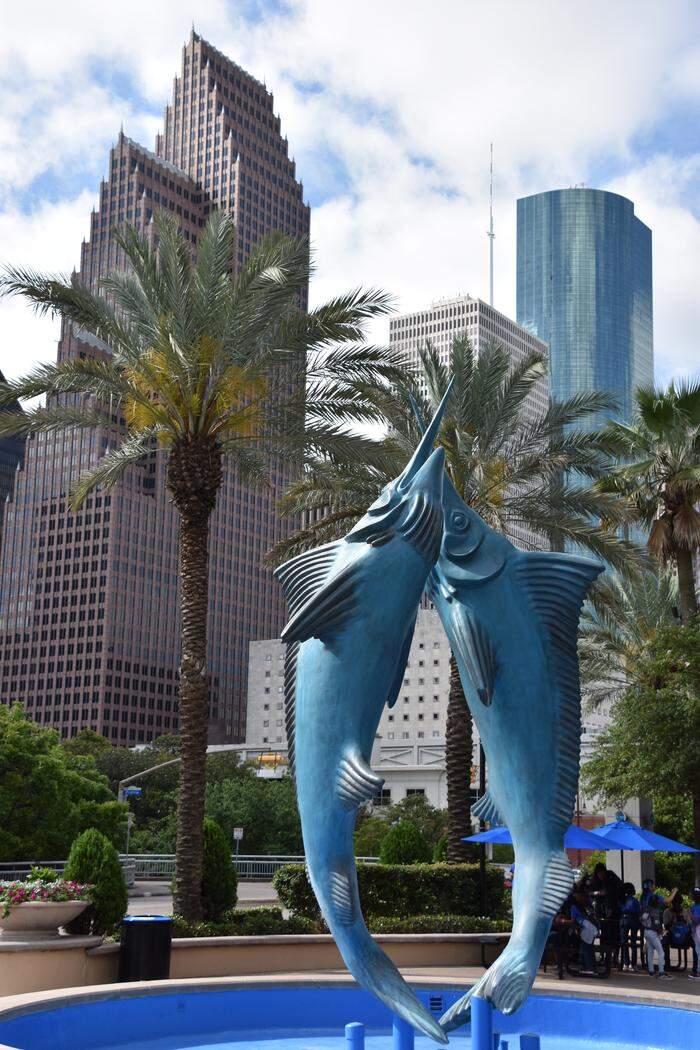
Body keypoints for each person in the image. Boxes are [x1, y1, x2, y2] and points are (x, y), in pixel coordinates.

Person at [640, 879, 677, 979]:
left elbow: (642, 919)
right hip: (652, 932)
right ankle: (661, 972)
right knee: (661, 952)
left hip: (646, 931)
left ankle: (651, 971)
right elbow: (656, 926)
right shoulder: (655, 911)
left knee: (650, 951)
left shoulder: (643, 900)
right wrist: (662, 931)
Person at [570, 888, 599, 975]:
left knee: (585, 948)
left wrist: (564, 921)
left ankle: (588, 967)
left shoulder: (574, 907)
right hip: (593, 927)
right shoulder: (588, 906)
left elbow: (573, 920)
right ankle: (592, 966)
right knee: (589, 948)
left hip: (586, 928)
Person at [619, 882, 641, 971]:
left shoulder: (622, 900)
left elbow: (619, 909)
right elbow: (638, 911)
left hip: (624, 920)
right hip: (634, 920)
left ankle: (626, 963)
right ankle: (634, 964)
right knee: (633, 942)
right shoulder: (635, 901)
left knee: (624, 942)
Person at [689, 887, 700, 980]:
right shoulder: (693, 906)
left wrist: (690, 914)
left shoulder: (694, 907)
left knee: (697, 952)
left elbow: (696, 920)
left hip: (697, 931)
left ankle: (697, 972)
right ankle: (695, 970)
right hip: (696, 931)